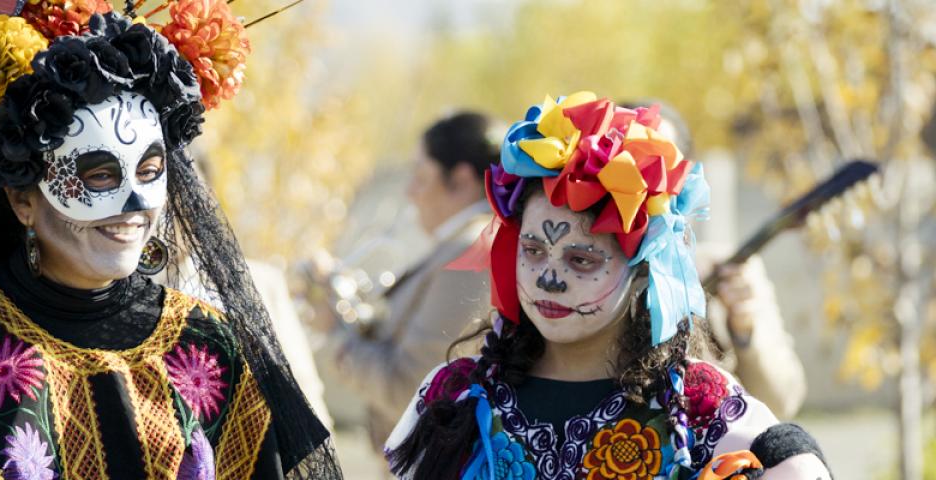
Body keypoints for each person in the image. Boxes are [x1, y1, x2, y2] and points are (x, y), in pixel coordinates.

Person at [0, 6, 337, 480]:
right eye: (99, 176)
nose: (132, 205)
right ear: (22, 200)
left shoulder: (209, 346)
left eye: (150, 170)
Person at [385, 92, 831, 479]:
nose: (549, 279)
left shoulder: (701, 411)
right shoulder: (455, 398)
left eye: (582, 260)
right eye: (534, 251)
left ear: (643, 270)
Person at [309, 111, 496, 453]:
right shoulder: (468, 244)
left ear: (462, 179)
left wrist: (334, 334)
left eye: (421, 177)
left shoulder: (471, 251)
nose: (411, 192)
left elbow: (412, 389)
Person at [625, 100, 807, 419]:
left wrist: (745, 331)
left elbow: (782, 402)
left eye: (662, 167)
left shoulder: (730, 271)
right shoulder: (579, 273)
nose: (650, 185)